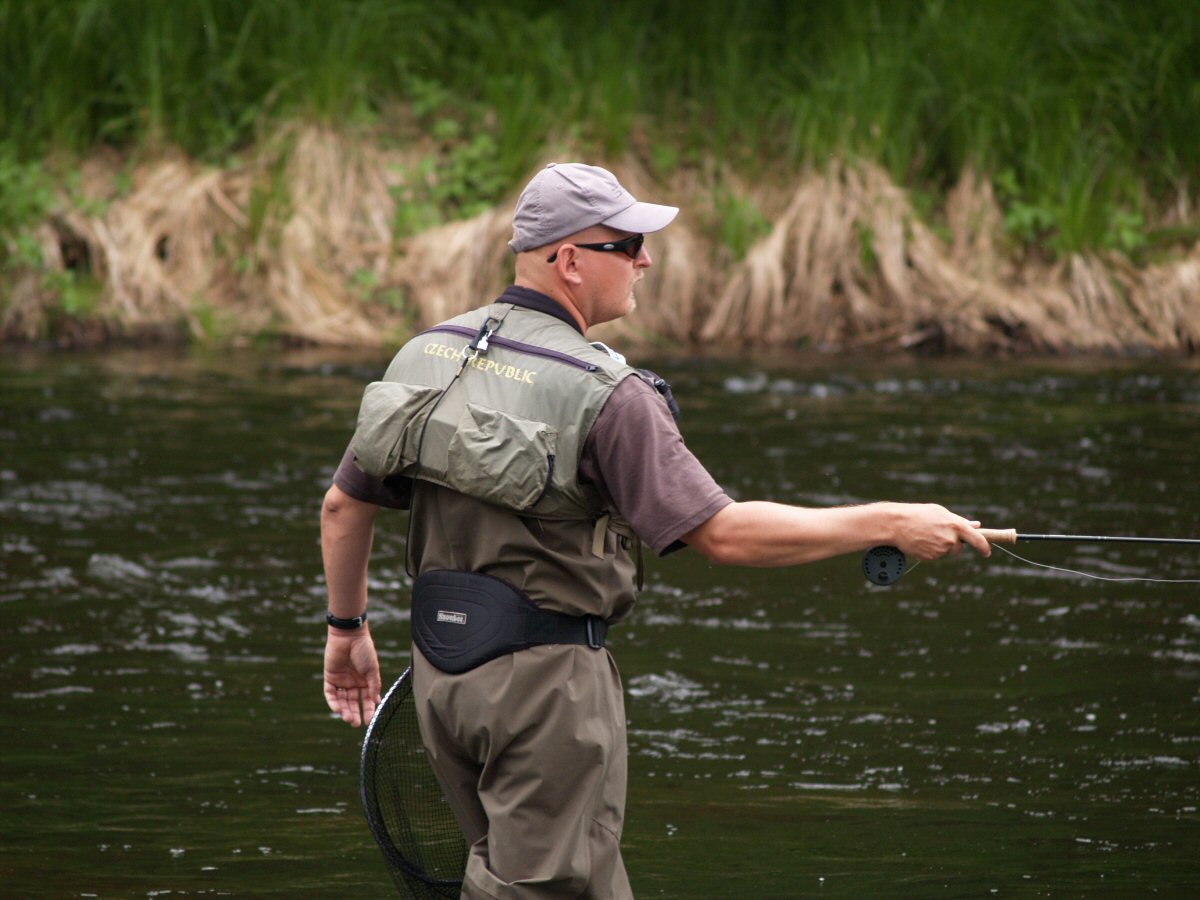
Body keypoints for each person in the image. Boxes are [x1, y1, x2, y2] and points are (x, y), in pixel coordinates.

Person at [321, 162, 991, 898]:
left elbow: (342, 507)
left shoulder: (422, 355)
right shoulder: (610, 395)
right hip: (546, 693)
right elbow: (725, 534)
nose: (646, 259)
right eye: (628, 243)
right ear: (569, 261)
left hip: (441, 679)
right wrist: (890, 520)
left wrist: (347, 630)